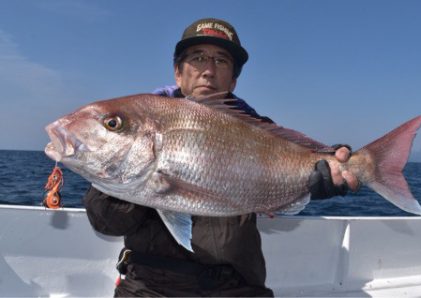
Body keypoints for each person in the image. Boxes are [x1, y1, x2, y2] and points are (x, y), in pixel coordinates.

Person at [83, 18, 358, 297]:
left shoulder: (259, 128)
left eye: (222, 61)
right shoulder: (142, 122)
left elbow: (294, 162)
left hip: (236, 286)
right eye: (198, 58)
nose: (209, 71)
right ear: (178, 73)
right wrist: (142, 178)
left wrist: (322, 173)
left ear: (234, 80)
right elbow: (106, 223)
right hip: (148, 286)